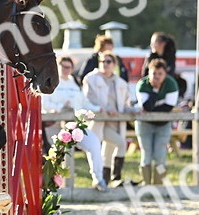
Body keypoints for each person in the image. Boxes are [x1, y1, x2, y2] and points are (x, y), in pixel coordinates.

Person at [42, 56, 109, 191]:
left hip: (74, 126)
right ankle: (51, 185)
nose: (66, 70)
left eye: (69, 67)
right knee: (54, 155)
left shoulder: (75, 85)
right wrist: (60, 106)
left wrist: (96, 109)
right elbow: (44, 103)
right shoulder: (51, 83)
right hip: (54, 125)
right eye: (64, 67)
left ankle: (98, 179)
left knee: (95, 143)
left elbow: (84, 103)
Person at [82, 49, 135, 187]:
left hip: (115, 122)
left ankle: (106, 180)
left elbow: (125, 104)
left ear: (114, 64)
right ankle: (113, 177)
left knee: (108, 151)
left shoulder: (120, 82)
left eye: (108, 61)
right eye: (102, 61)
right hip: (98, 122)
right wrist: (104, 109)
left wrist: (134, 110)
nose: (105, 64)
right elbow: (88, 99)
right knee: (119, 144)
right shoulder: (90, 78)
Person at [135, 58, 180, 186]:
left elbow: (168, 108)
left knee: (160, 156)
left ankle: (159, 185)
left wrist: (152, 106)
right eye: (154, 73)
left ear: (165, 74)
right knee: (146, 154)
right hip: (145, 125)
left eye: (160, 74)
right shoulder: (142, 85)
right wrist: (154, 92)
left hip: (163, 124)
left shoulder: (171, 84)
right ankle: (146, 184)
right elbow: (147, 107)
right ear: (149, 73)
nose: (157, 77)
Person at [147, 31, 185, 99]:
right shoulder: (150, 56)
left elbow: (170, 73)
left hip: (166, 86)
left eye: (153, 43)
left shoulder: (170, 56)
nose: (151, 45)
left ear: (162, 44)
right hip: (152, 85)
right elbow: (144, 73)